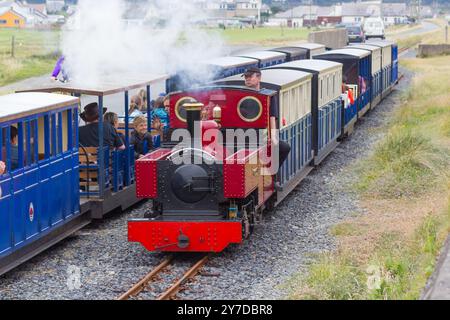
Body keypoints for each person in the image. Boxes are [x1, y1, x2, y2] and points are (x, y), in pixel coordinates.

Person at [242, 67, 291, 171]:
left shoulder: (268, 96)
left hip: (262, 135)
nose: (247, 79)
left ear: (259, 78)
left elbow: (272, 116)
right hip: (242, 134)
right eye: (246, 77)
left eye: (250, 76)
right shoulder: (240, 95)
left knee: (284, 147)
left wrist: (273, 136)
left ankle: (272, 173)